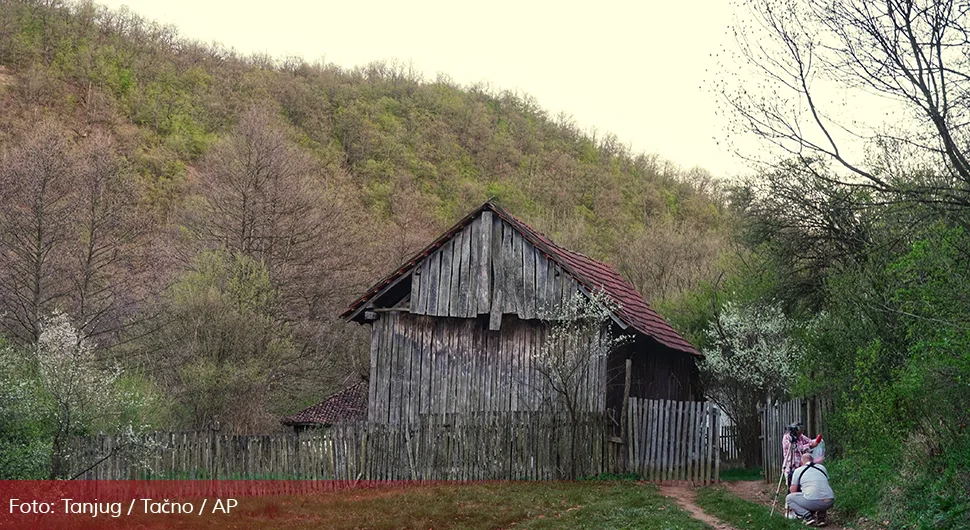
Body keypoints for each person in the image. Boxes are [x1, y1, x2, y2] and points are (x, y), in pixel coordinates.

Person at [787, 453, 835, 526]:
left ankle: (807, 516)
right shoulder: (822, 468)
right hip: (830, 501)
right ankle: (821, 518)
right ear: (813, 460)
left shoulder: (798, 471)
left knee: (789, 498)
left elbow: (793, 491)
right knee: (821, 491)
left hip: (813, 501)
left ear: (801, 462)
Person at [782, 422, 820, 486]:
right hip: (790, 466)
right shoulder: (787, 437)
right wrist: (809, 446)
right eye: (799, 433)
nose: (800, 434)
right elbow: (796, 448)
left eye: (801, 432)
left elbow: (809, 441)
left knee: (802, 485)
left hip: (801, 466)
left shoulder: (801, 436)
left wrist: (816, 442)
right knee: (792, 486)